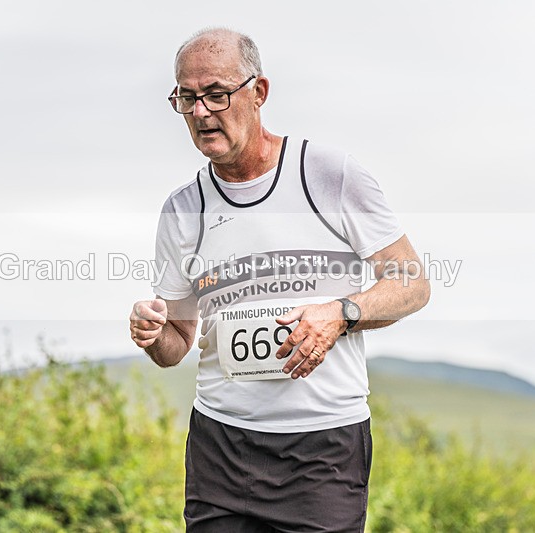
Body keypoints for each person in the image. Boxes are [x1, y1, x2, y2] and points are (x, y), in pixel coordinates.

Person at [129, 27, 430, 532]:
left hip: (323, 450)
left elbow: (412, 283)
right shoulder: (182, 209)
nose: (201, 112)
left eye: (217, 94)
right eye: (187, 97)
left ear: (258, 92)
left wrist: (340, 313)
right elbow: (177, 341)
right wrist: (154, 332)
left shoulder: (329, 175)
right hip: (219, 445)